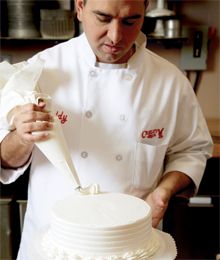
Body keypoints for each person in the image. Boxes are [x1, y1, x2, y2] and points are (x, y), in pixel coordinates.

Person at [0, 0, 213, 259]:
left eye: (130, 21)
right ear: (80, 7)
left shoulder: (170, 82)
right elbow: (4, 159)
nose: (115, 36)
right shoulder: (41, 69)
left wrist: (163, 192)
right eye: (103, 18)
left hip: (133, 248)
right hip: (50, 246)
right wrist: (22, 138)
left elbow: (192, 149)